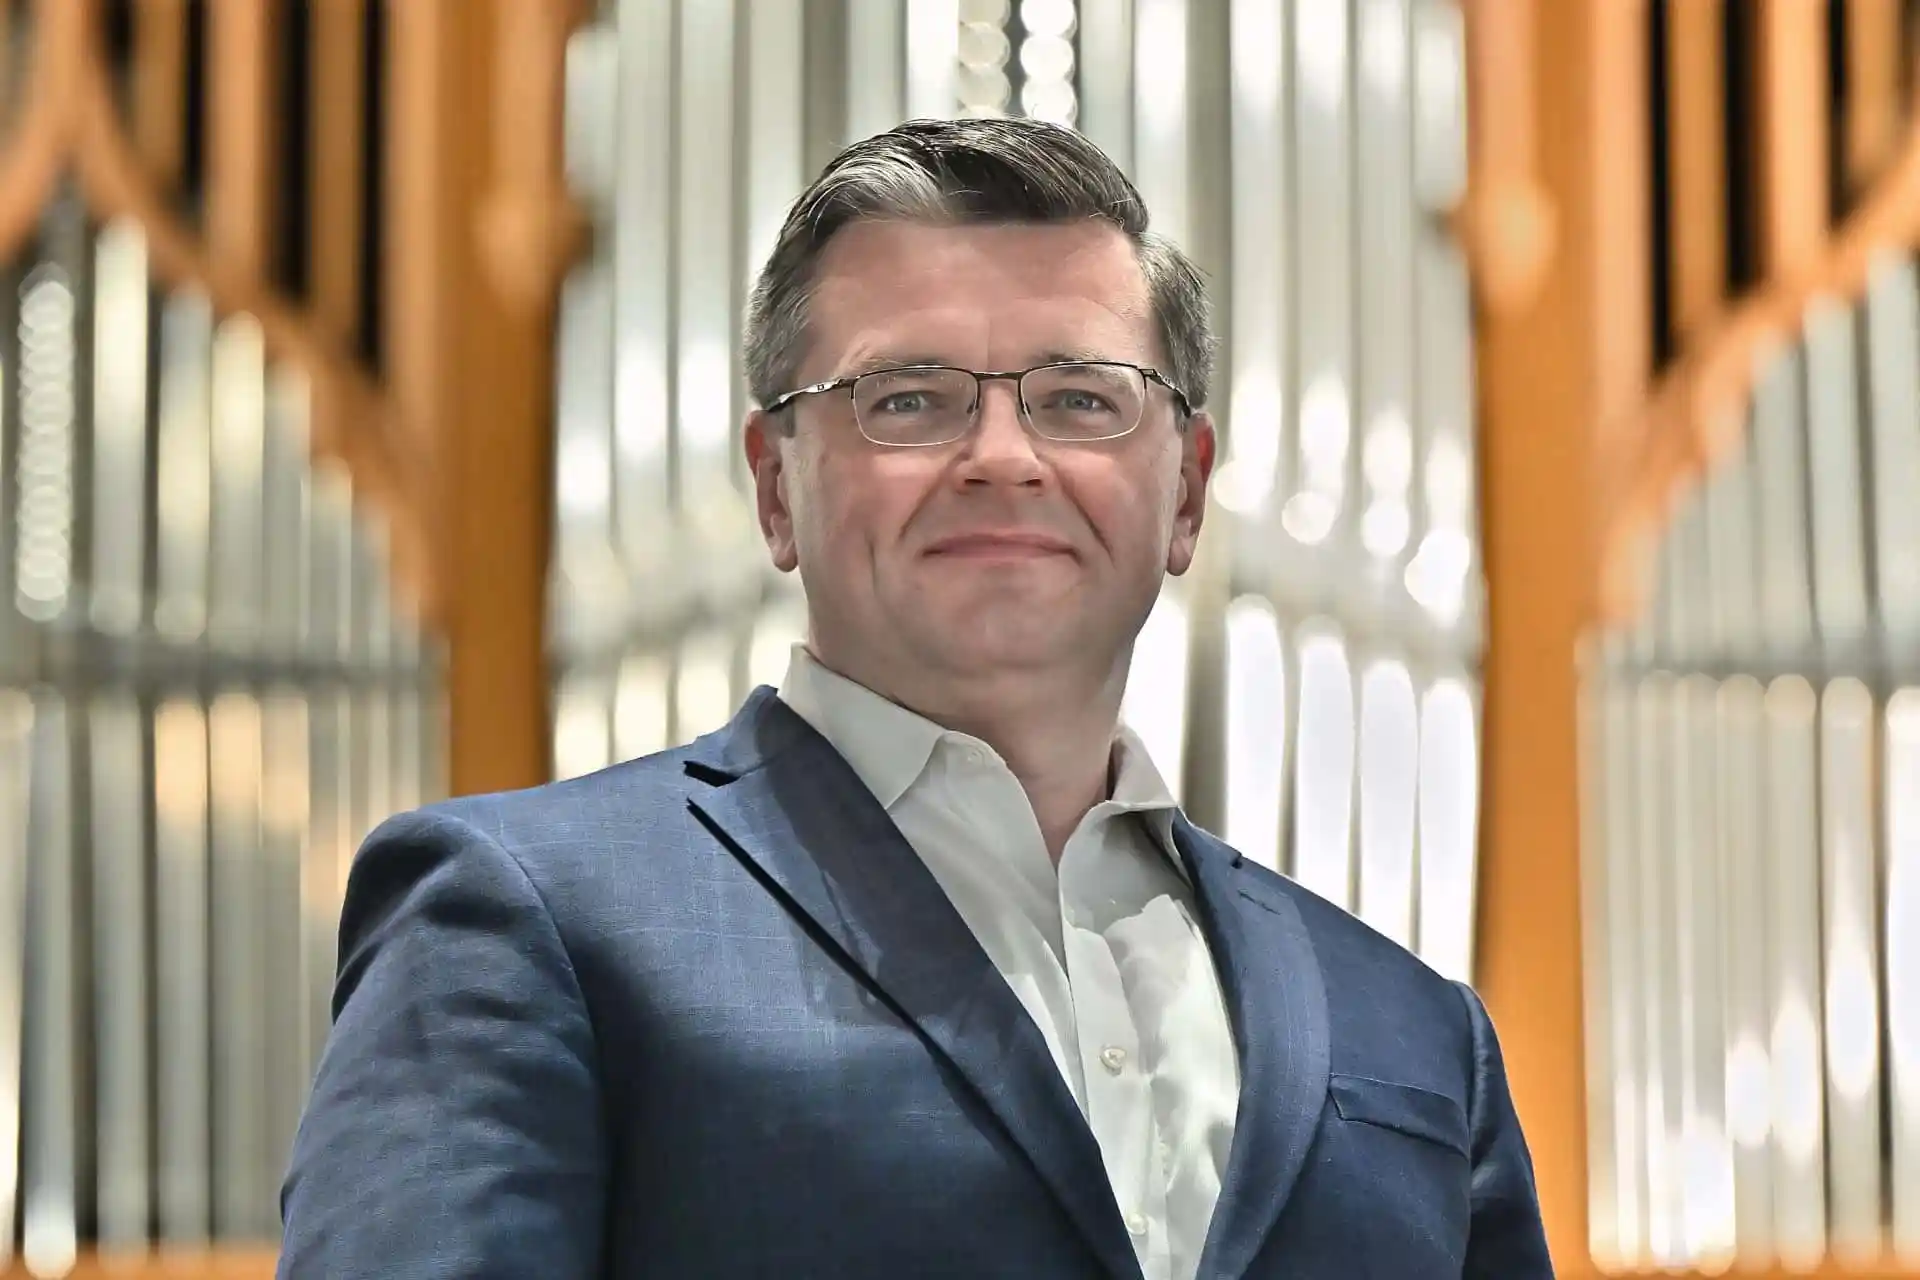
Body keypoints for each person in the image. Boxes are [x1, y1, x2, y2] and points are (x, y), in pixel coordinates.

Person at [278, 116, 1552, 1279]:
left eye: (1080, 399)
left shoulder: (1420, 1027)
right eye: (907, 400)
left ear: (1186, 491)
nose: (1003, 456)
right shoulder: (525, 916)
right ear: (776, 485)